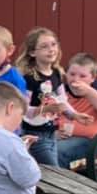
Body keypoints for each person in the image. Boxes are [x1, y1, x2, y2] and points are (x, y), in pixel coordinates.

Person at [15, 27, 89, 168]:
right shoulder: (29, 78)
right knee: (54, 172)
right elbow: (23, 109)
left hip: (51, 133)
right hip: (34, 135)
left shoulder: (56, 73)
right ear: (32, 52)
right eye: (44, 46)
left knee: (47, 173)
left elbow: (62, 100)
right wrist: (45, 109)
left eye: (53, 44)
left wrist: (75, 115)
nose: (51, 49)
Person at [56, 53, 97, 170]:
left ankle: (59, 181)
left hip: (93, 142)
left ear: (93, 78)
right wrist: (52, 132)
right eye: (72, 74)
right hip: (61, 137)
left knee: (56, 151)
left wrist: (88, 92)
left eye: (82, 76)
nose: (76, 80)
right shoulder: (61, 90)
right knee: (38, 148)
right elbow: (47, 115)